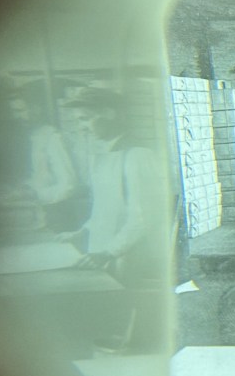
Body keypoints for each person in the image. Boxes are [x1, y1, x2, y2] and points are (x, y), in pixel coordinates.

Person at [57, 86, 166, 287]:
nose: (82, 127)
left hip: (131, 255)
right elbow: (107, 208)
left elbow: (144, 217)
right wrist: (83, 231)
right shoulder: (107, 154)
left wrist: (109, 252)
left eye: (85, 118)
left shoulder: (138, 155)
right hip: (105, 253)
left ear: (110, 113)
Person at [7, 83, 81, 231]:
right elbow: (41, 177)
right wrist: (26, 188)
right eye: (14, 111)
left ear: (36, 109)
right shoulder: (32, 137)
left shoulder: (53, 138)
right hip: (38, 216)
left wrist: (35, 194)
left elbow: (69, 185)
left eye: (20, 110)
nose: (16, 116)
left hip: (58, 217)